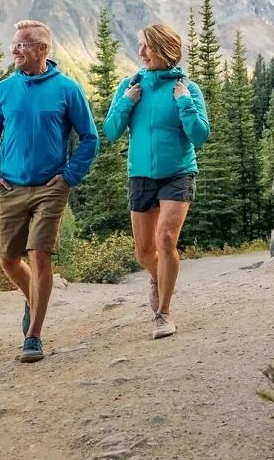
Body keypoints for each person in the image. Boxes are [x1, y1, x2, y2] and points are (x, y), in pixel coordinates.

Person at [0, 19, 99, 363]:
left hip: (51, 188)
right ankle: (33, 296)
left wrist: (68, 176)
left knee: (40, 254)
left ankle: (33, 336)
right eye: (14, 44)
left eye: (22, 45)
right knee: (8, 259)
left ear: (42, 50)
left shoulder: (67, 89)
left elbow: (89, 138)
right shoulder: (3, 90)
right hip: (10, 187)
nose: (14, 50)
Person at [103, 22, 210, 339]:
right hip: (140, 176)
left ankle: (163, 313)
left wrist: (184, 102)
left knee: (166, 240)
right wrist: (126, 101)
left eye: (147, 46)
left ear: (166, 50)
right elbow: (110, 132)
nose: (141, 52)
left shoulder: (187, 88)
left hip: (178, 173)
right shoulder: (130, 84)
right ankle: (157, 276)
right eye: (140, 45)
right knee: (143, 252)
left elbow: (200, 136)